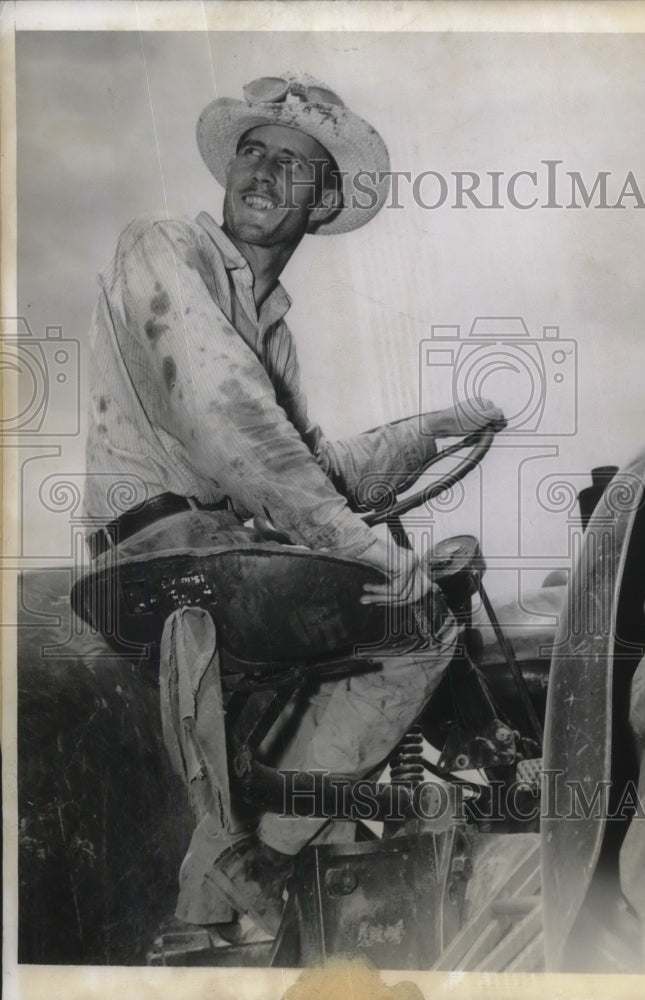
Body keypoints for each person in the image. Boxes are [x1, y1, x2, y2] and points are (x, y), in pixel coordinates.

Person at [83, 71, 505, 940]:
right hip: (168, 555)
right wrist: (378, 561)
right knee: (415, 624)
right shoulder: (165, 247)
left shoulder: (267, 323)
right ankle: (249, 861)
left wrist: (435, 428)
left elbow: (313, 468)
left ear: (322, 203)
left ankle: (255, 864)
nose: (263, 175)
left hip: (221, 550)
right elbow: (235, 427)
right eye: (253, 153)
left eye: (294, 166)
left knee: (404, 601)